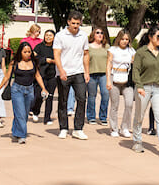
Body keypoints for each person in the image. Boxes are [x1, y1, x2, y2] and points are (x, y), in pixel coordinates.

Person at [130, 26, 159, 156]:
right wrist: (139, 86)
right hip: (144, 87)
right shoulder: (141, 52)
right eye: (158, 37)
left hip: (158, 88)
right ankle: (137, 142)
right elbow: (136, 70)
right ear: (150, 37)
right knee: (139, 116)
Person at [0, 41, 46, 144]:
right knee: (20, 113)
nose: (27, 54)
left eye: (29, 52)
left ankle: (15, 132)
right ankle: (22, 135)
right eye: (25, 52)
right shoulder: (14, 63)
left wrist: (43, 88)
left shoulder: (33, 62)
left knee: (24, 114)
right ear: (20, 52)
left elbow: (37, 76)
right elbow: (7, 76)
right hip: (17, 90)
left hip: (29, 90)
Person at [53, 10, 90, 139]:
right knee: (63, 101)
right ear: (68, 22)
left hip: (78, 72)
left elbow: (86, 54)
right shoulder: (60, 36)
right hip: (64, 73)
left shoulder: (83, 36)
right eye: (73, 23)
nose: (75, 26)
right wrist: (61, 70)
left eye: (78, 23)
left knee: (82, 98)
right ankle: (63, 128)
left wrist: (86, 72)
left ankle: (78, 128)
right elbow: (56, 54)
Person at [85, 28, 111, 127]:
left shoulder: (107, 47)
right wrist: (86, 73)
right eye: (97, 33)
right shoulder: (88, 47)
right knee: (92, 96)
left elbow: (110, 60)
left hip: (104, 74)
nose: (100, 34)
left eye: (101, 33)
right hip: (91, 74)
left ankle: (103, 117)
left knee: (105, 94)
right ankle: (91, 116)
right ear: (93, 35)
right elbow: (85, 60)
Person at [32, 29, 57, 124]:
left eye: (50, 35)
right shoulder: (39, 47)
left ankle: (47, 118)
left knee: (50, 96)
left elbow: (60, 58)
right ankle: (35, 111)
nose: (48, 37)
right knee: (39, 95)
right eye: (47, 35)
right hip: (41, 74)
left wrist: (54, 61)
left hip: (52, 75)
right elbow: (34, 57)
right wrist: (45, 60)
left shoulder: (56, 48)